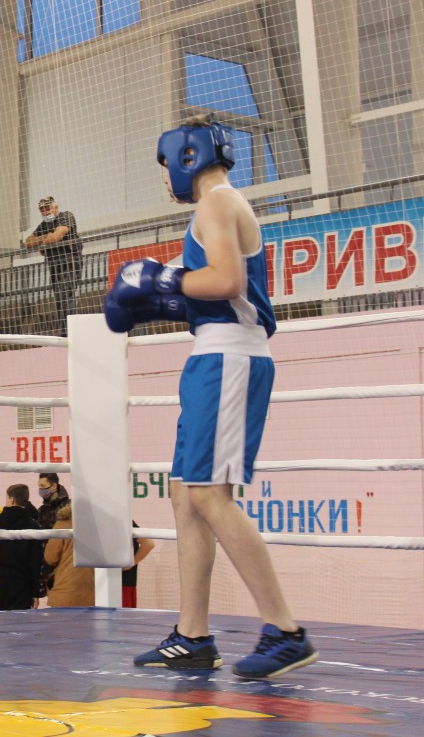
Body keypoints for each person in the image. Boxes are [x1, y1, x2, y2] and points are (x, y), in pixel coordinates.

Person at [104, 113, 318, 679]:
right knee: (184, 494)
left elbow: (227, 282)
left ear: (187, 156)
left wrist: (157, 283)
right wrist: (160, 298)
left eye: (164, 164)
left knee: (210, 496)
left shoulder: (218, 203)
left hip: (230, 358)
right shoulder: (216, 208)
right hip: (213, 354)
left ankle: (284, 630)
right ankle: (193, 635)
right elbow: (209, 293)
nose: (164, 177)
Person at [22, 196, 83, 336]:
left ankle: (72, 330)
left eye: (47, 208)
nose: (45, 212)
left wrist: (44, 242)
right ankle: (64, 331)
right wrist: (46, 238)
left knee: (66, 293)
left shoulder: (66, 216)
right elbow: (28, 242)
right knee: (59, 297)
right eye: (42, 209)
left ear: (56, 208)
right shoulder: (44, 226)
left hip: (70, 261)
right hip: (54, 264)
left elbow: (57, 236)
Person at [0, 485, 44, 611]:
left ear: (11, 499)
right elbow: (36, 562)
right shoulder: (33, 525)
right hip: (23, 582)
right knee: (21, 624)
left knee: (3, 622)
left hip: (1, 580)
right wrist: (35, 592)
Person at [41, 502, 94, 607]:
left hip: (64, 591)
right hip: (91, 592)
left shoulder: (62, 525)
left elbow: (51, 558)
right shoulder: (95, 526)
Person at [35, 472, 70, 595]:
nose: (41, 490)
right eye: (39, 487)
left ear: (54, 486)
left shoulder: (70, 508)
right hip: (48, 566)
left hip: (66, 565)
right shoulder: (41, 511)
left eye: (43, 486)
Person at [122, 521, 156, 609]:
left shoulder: (125, 521)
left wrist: (131, 564)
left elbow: (149, 544)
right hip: (122, 582)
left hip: (123, 583)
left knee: (124, 619)